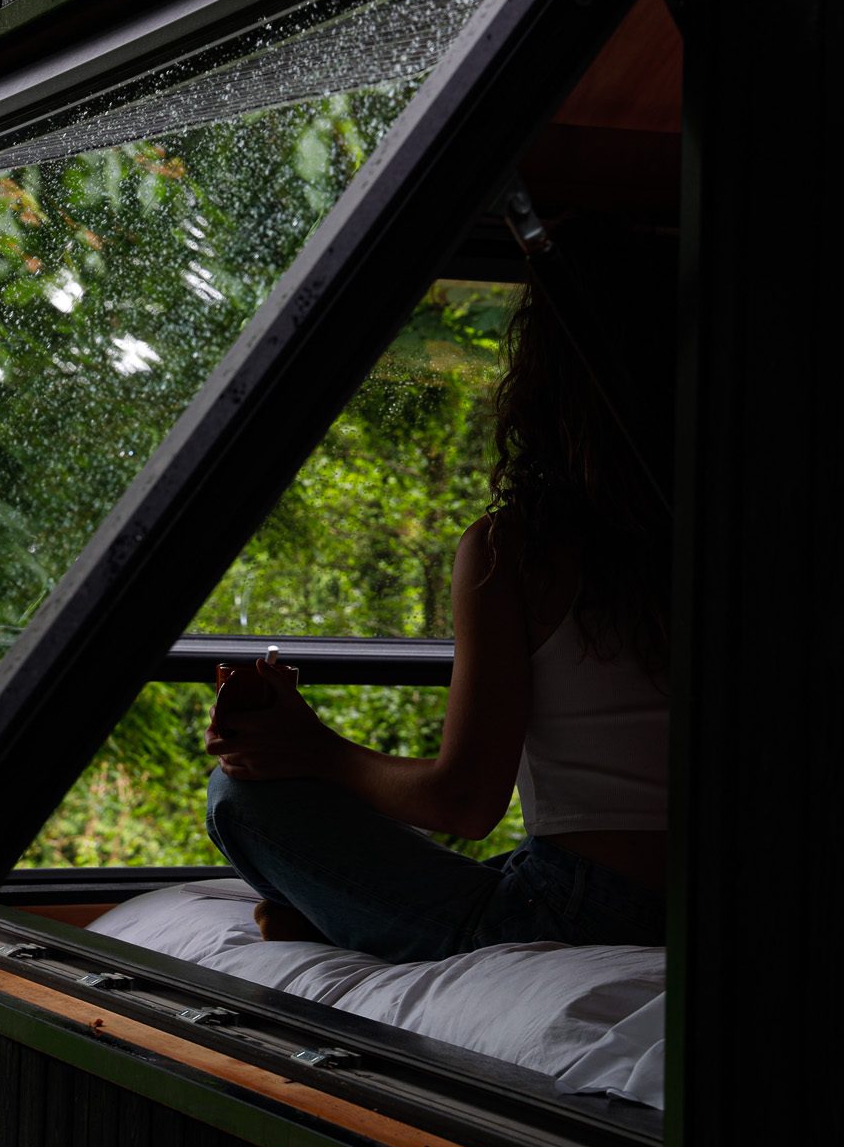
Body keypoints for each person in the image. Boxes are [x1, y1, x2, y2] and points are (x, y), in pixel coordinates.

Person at [203, 256, 670, 963]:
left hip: (576, 909)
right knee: (498, 871)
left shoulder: (514, 548)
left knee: (238, 798)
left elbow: (464, 802)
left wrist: (310, 748)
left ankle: (352, 918)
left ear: (538, 386)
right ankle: (354, 916)